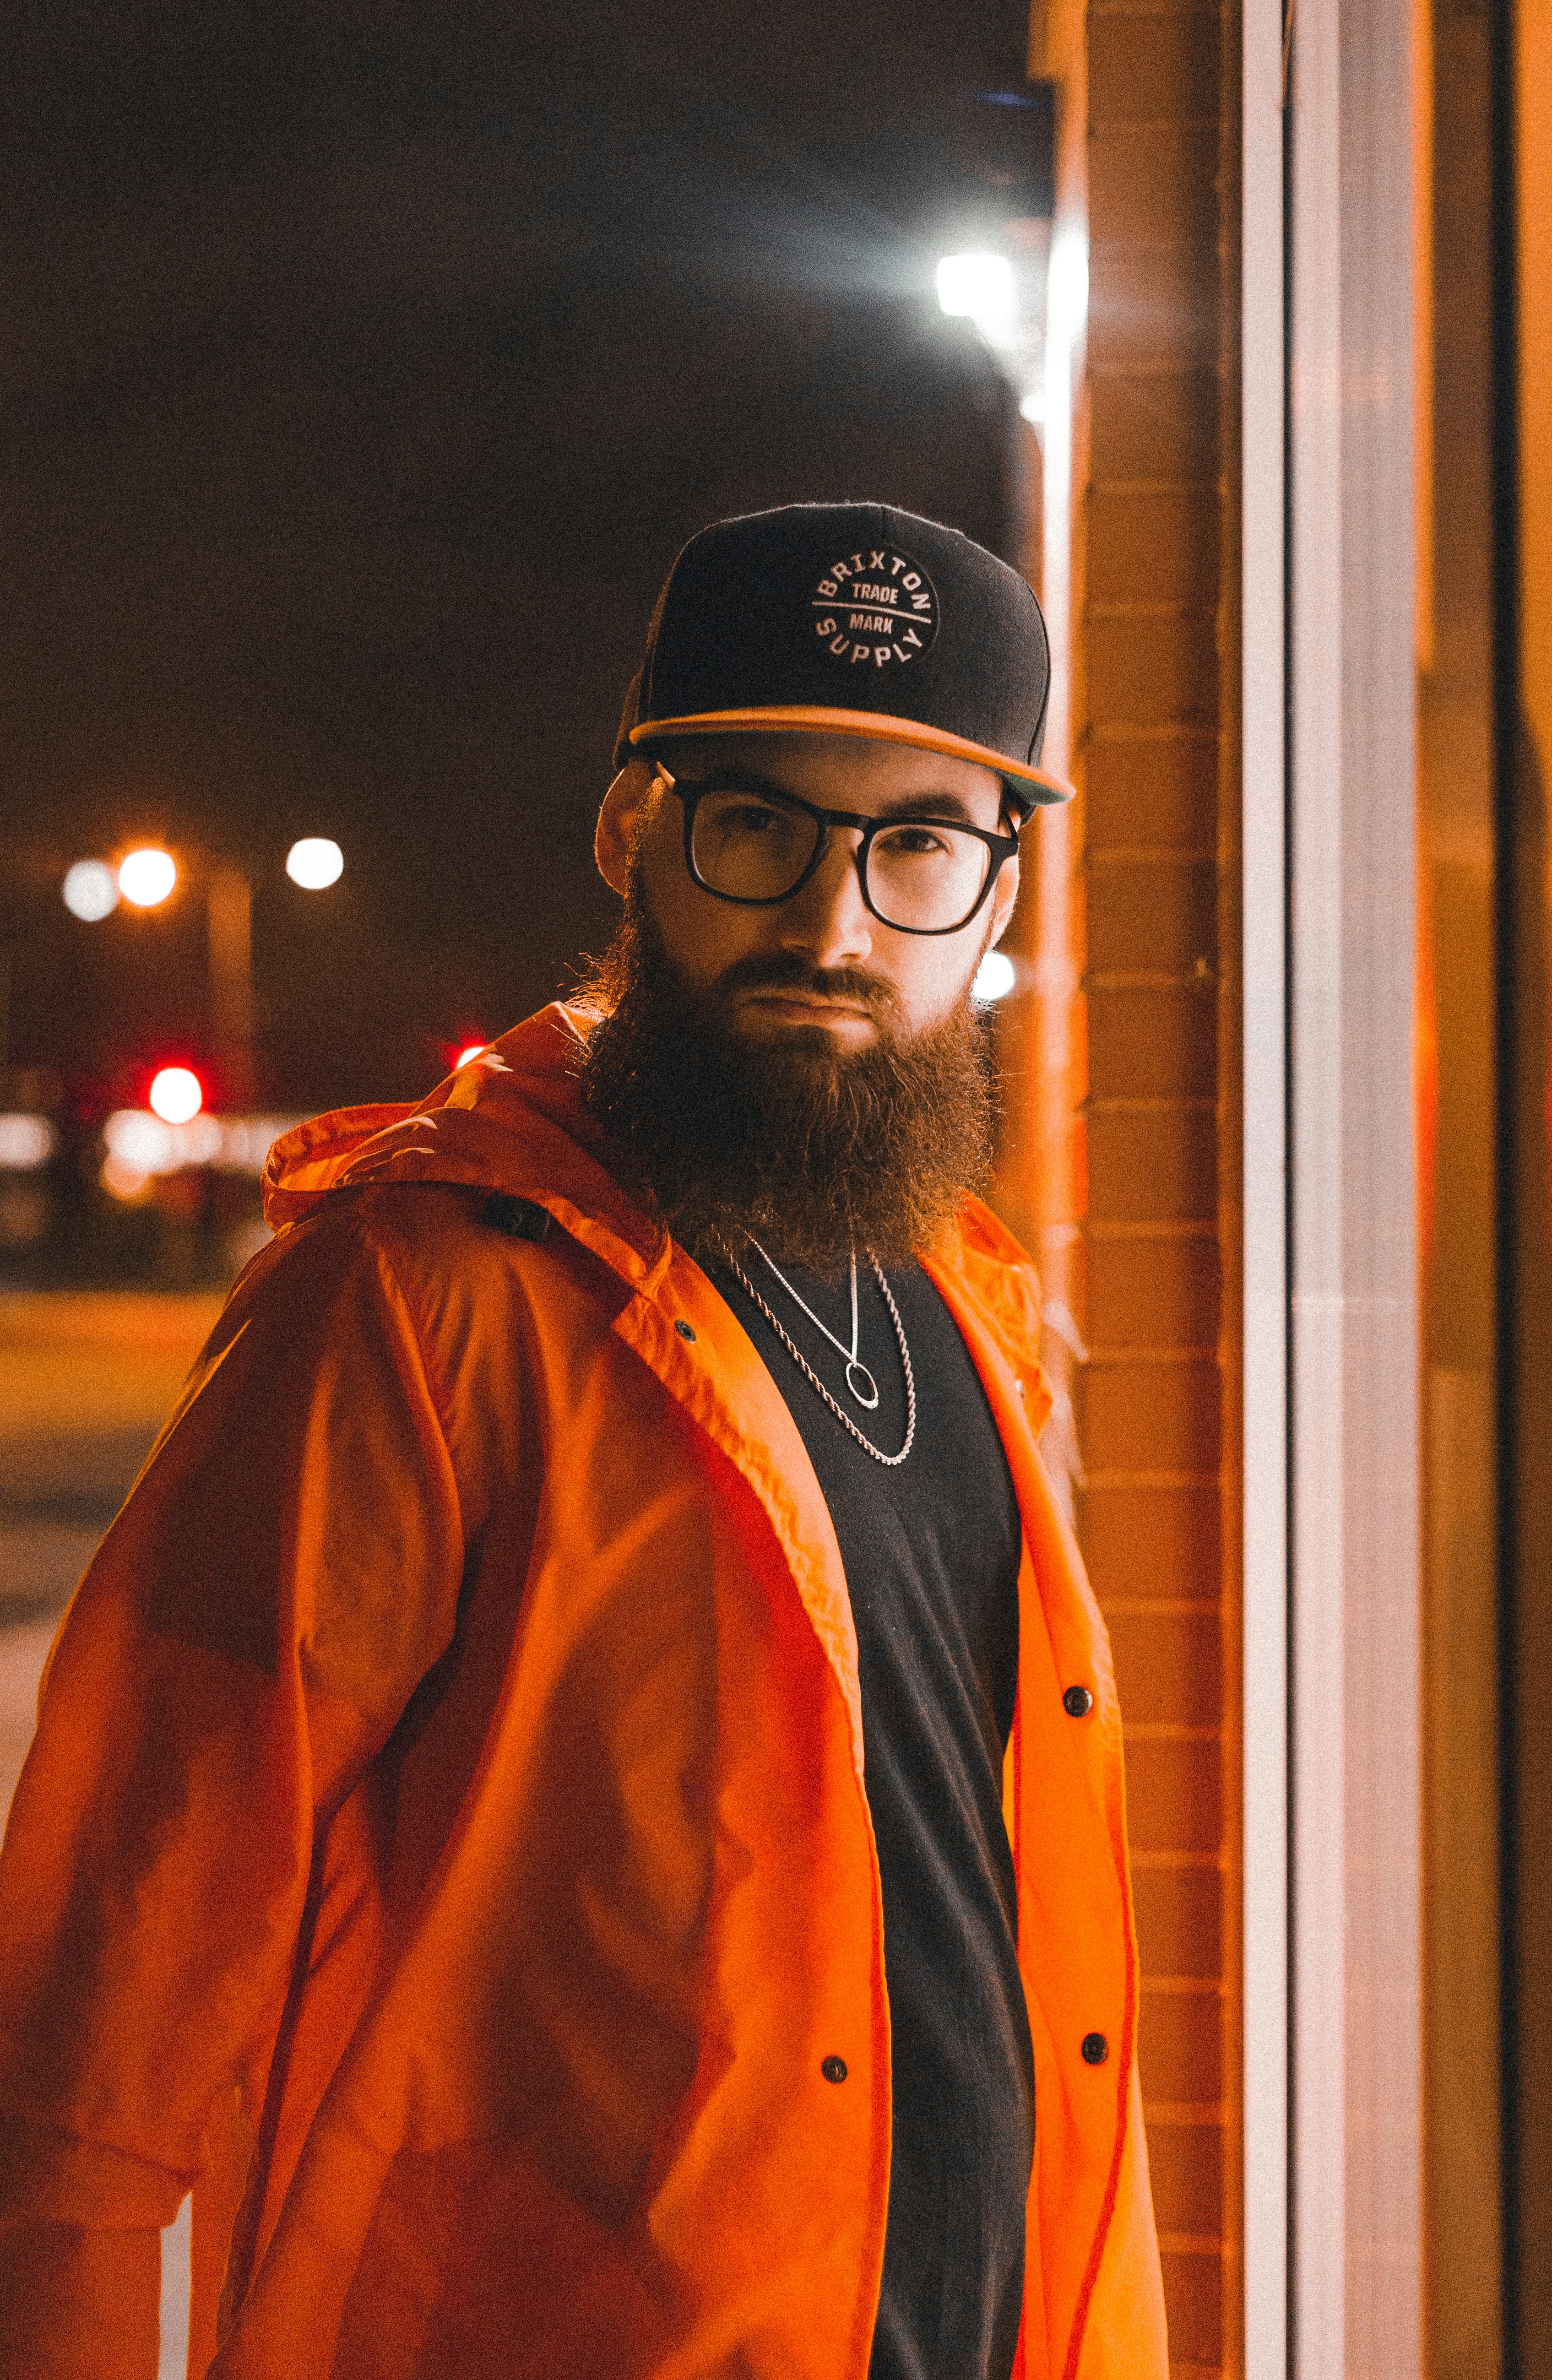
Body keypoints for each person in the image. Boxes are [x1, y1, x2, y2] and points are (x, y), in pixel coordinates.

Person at [0, 503, 1167, 2380]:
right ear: (636, 831)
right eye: (762, 821)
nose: (833, 917)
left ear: (1002, 891)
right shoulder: (419, 1296)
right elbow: (118, 1975)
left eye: (919, 847)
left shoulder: (979, 1317)